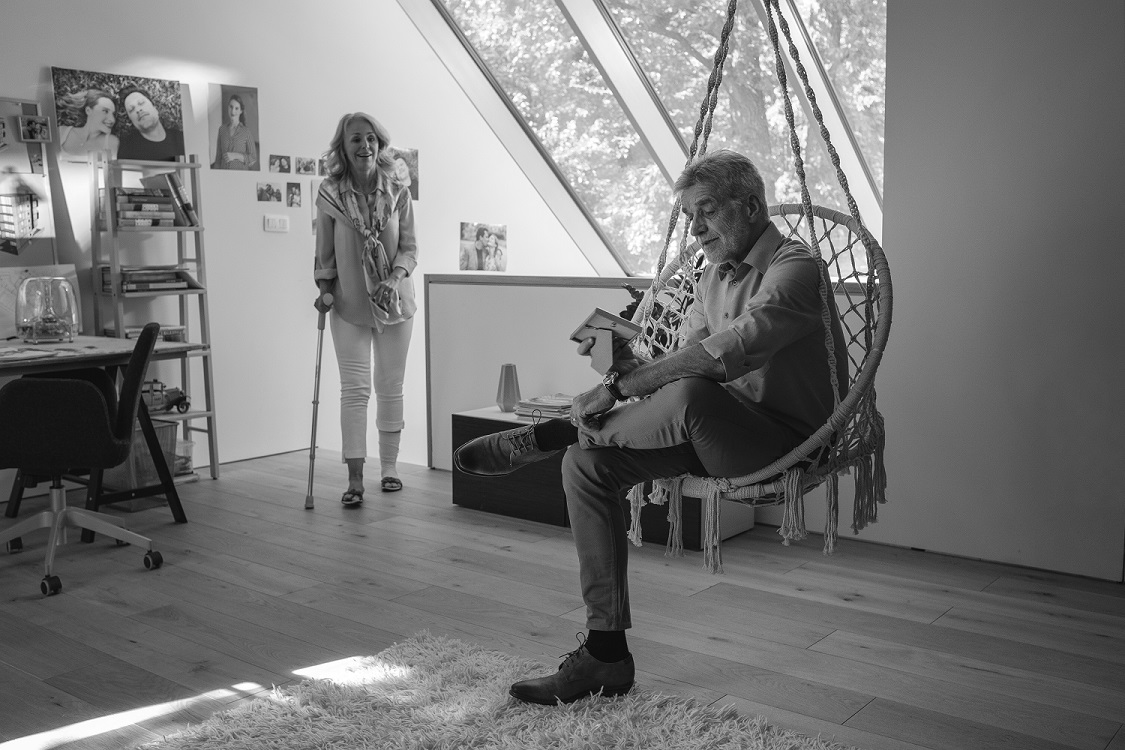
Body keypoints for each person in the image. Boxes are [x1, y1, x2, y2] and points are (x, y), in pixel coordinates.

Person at [454, 149, 848, 706]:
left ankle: (554, 433)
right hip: (709, 432)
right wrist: (627, 366)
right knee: (585, 466)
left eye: (706, 210)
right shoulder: (711, 278)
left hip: (783, 446)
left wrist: (619, 391)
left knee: (691, 392)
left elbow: (723, 353)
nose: (696, 228)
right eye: (689, 215)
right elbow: (683, 359)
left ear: (750, 205)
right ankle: (606, 654)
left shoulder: (798, 268)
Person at [314, 112, 417, 505]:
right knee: (354, 390)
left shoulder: (399, 191)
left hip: (395, 303)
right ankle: (354, 479)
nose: (365, 146)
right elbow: (324, 254)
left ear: (380, 143)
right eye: (356, 139)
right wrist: (323, 289)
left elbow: (409, 248)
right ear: (344, 146)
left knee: (390, 386)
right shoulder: (330, 194)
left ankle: (389, 469)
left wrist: (393, 279)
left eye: (371, 138)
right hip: (349, 303)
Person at [117, 84, 184, 161]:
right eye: (131, 109)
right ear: (130, 120)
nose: (138, 110)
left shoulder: (180, 139)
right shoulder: (127, 150)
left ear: (155, 107)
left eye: (141, 103)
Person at [56, 89, 119, 161]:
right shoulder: (62, 133)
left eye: (113, 114)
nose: (112, 119)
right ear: (88, 111)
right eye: (105, 111)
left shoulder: (111, 142)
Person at [212, 94, 258, 170]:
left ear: (241, 111)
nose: (233, 111)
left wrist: (235, 156)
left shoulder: (246, 131)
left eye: (236, 108)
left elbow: (253, 158)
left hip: (241, 175)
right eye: (231, 107)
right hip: (223, 174)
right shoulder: (222, 130)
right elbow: (218, 159)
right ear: (228, 107)